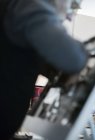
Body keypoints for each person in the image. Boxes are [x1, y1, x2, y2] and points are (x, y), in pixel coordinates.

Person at [0, 0, 88, 139]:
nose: (70, 17)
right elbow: (74, 58)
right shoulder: (30, 4)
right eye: (72, 6)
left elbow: (42, 63)